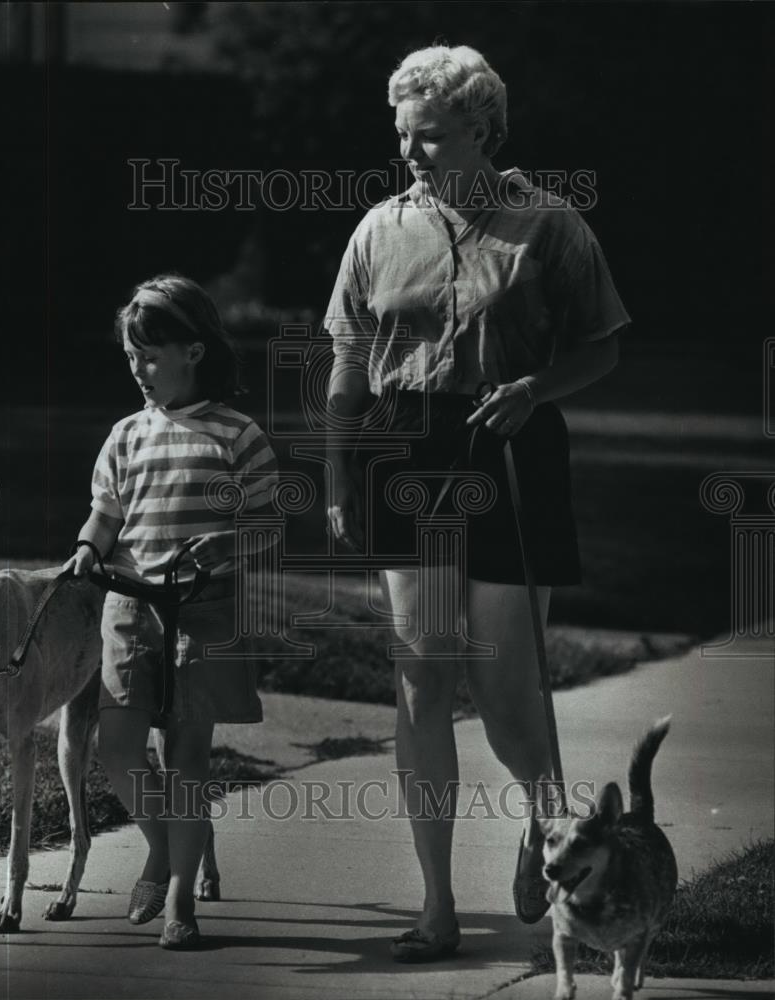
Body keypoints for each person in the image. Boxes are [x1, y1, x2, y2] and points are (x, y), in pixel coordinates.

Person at [324, 44, 629, 962]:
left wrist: (535, 388)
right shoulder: (379, 229)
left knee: (502, 685)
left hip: (510, 448)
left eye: (431, 137)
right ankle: (435, 907)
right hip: (404, 445)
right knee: (421, 676)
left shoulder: (549, 224)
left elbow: (602, 346)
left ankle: (550, 832)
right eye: (402, 136)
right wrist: (339, 480)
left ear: (483, 132)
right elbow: (346, 364)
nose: (411, 153)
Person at [63, 274, 277, 950]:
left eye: (152, 356)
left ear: (194, 350)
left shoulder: (237, 435)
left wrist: (229, 542)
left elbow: (269, 526)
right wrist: (86, 550)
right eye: (131, 358)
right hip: (130, 605)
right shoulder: (126, 435)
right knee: (119, 747)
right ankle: (160, 844)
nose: (140, 371)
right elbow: (106, 512)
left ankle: (180, 898)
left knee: (187, 757)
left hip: (206, 612)